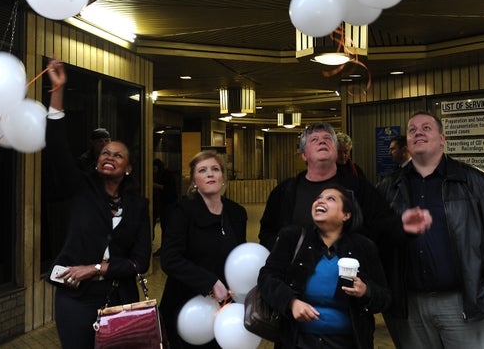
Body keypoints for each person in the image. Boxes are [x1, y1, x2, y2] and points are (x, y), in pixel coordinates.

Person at [378, 111, 484, 349]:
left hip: (463, 302)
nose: (418, 133)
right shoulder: (388, 187)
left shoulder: (474, 183)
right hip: (410, 306)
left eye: (426, 128)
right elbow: (378, 239)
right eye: (412, 130)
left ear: (442, 138)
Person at [44, 59, 151, 349]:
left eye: (118, 155)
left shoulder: (138, 205)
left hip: (119, 298)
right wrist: (57, 91)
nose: (109, 157)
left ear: (128, 168)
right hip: (75, 298)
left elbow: (140, 262)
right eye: (105, 152)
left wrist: (96, 268)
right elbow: (56, 147)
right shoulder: (81, 189)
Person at [257, 186, 390, 349]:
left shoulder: (363, 247)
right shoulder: (292, 238)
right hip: (298, 341)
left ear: (346, 215)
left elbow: (384, 298)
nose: (320, 200)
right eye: (319, 197)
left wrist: (366, 291)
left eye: (331, 199)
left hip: (347, 343)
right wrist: (291, 302)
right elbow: (267, 278)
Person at [259, 123, 429, 251]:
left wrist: (402, 226)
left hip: (348, 285)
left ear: (335, 151)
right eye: (314, 140)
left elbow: (382, 225)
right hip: (295, 285)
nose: (322, 142)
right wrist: (285, 248)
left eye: (327, 139)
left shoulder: (358, 187)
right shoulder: (284, 192)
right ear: (304, 154)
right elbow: (267, 233)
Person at [159, 150, 248, 348]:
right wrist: (210, 282)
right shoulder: (181, 211)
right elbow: (170, 259)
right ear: (193, 181)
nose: (210, 174)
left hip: (226, 307)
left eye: (215, 169)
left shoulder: (237, 213)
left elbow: (240, 259)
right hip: (187, 306)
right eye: (202, 170)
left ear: (223, 177)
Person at [153, 158, 179, 235]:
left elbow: (167, 188)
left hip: (168, 203)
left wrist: (155, 185)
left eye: (154, 168)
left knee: (166, 225)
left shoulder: (166, 174)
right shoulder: (162, 174)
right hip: (165, 203)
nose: (154, 170)